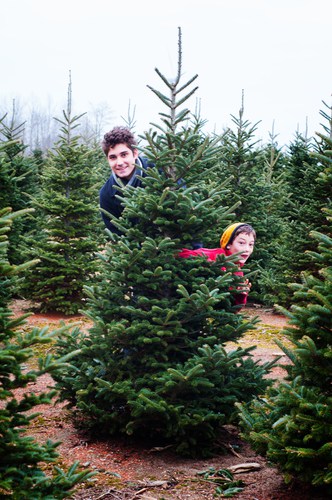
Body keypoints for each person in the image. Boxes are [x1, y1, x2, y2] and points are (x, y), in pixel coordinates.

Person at [178, 222, 256, 308]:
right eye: (241, 243)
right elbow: (181, 253)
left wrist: (241, 295)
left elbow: (232, 310)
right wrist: (207, 264)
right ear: (228, 244)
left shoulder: (238, 271)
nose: (247, 249)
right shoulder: (215, 255)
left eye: (251, 244)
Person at [99, 126, 154, 235]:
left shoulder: (158, 171)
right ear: (107, 159)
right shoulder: (106, 194)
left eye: (124, 155)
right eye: (113, 157)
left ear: (135, 153)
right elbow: (118, 237)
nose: (119, 162)